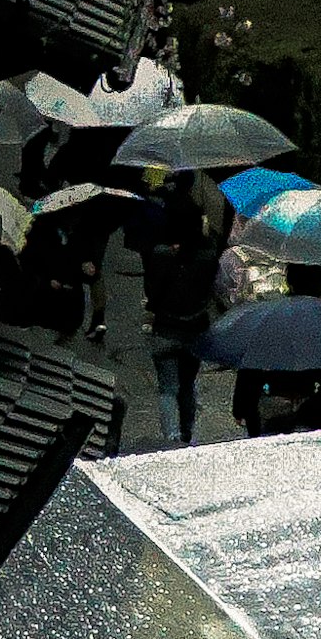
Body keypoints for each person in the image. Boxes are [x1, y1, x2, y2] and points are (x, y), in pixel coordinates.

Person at [131, 175, 222, 446]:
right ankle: (188, 430)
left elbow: (153, 291)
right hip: (195, 330)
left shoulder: (159, 254)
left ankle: (172, 438)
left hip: (165, 329)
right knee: (187, 385)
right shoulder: (208, 256)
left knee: (167, 389)